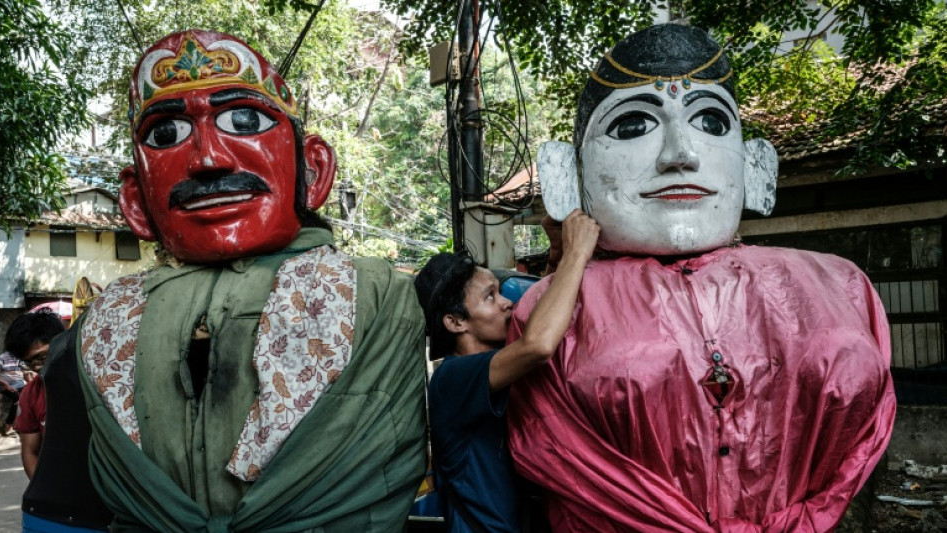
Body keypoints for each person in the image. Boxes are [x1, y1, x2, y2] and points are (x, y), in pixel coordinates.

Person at [507, 23, 896, 532]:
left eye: (711, 120)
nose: (681, 154)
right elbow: (551, 445)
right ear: (566, 172)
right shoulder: (553, 309)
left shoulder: (839, 284)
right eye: (632, 125)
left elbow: (866, 429)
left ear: (756, 163)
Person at [50, 30, 426, 531]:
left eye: (244, 122)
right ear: (136, 200)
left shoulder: (373, 290)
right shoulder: (111, 313)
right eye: (166, 134)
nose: (209, 159)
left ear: (312, 170)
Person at [414, 209, 600, 533]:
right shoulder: (452, 379)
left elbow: (544, 323)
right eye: (490, 296)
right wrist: (576, 254)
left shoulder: (503, 365)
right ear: (455, 322)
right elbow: (538, 344)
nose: (507, 303)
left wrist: (557, 255)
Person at [5, 309, 66, 479]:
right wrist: (45, 489)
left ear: (61, 343)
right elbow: (30, 452)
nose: (37, 367)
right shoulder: (31, 394)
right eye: (29, 362)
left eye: (41, 357)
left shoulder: (93, 382)